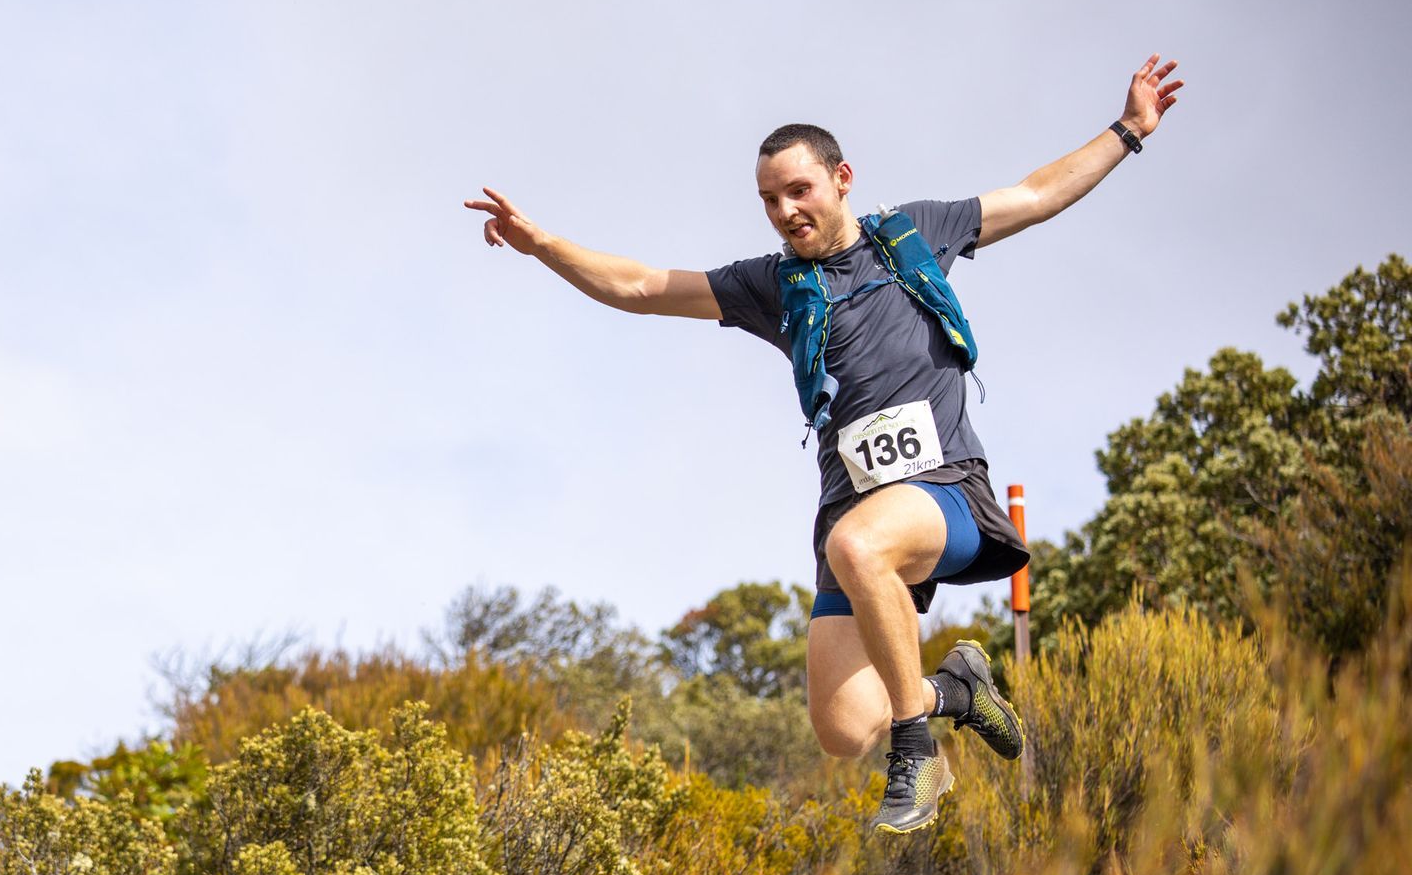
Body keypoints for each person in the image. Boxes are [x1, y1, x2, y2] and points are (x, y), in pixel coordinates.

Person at [465, 54, 1184, 833]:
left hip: (945, 493)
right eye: (769, 200)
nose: (784, 211)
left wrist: (1128, 131)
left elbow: (1037, 194)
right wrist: (544, 245)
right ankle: (954, 692)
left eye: (798, 191)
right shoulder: (772, 288)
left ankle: (918, 752)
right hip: (853, 521)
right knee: (842, 729)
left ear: (842, 178)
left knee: (860, 548)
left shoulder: (917, 234)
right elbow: (640, 286)